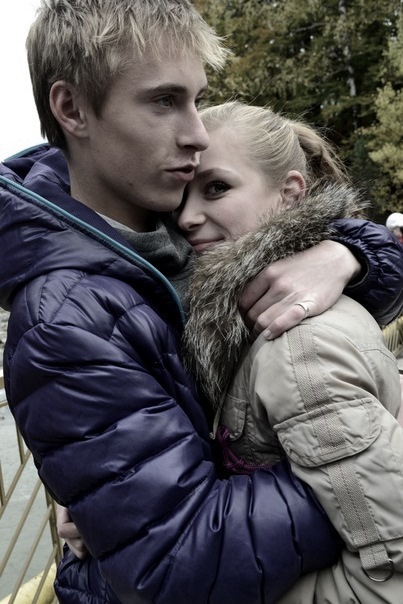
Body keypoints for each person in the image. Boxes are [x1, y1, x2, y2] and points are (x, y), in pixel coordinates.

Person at [0, 1, 402, 602]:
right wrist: (374, 464)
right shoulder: (66, 319)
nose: (197, 133)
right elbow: (176, 561)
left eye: (196, 99)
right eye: (164, 101)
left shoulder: (171, 231)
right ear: (72, 109)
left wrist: (349, 253)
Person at [179, 101, 403, 603]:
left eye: (216, 188)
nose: (187, 217)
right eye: (181, 194)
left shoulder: (300, 346)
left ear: (290, 192)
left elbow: (390, 574)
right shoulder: (239, 316)